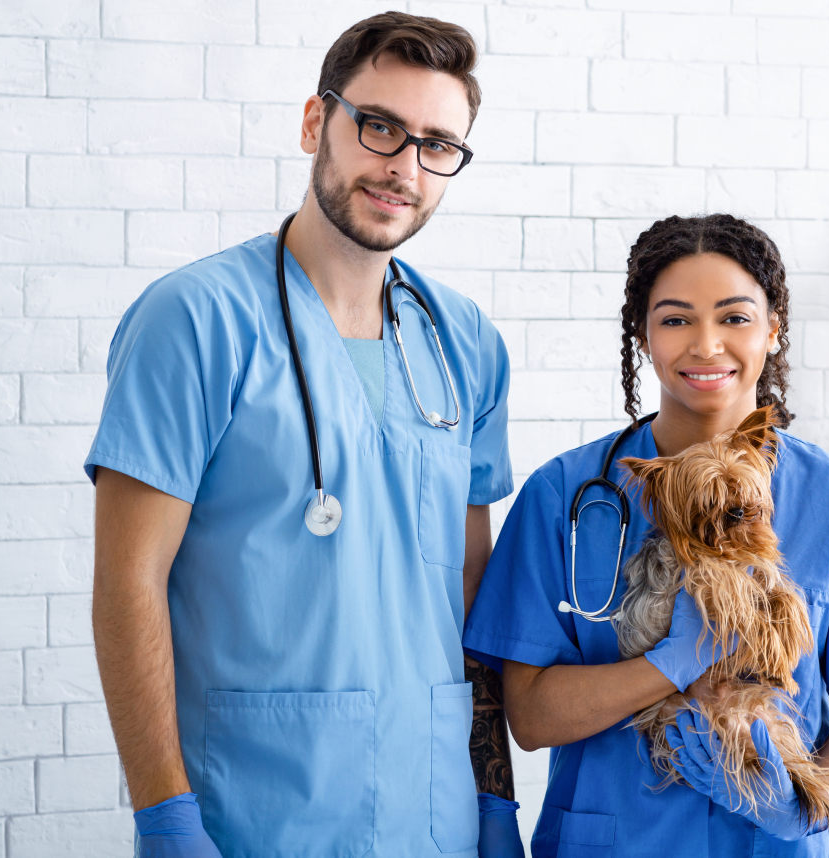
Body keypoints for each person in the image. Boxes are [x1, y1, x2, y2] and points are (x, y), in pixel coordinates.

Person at [88, 13, 522, 857]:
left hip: (433, 815)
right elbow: (127, 586)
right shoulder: (195, 321)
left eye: (438, 145)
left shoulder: (464, 341)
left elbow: (472, 602)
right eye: (380, 126)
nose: (403, 167)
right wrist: (165, 817)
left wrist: (492, 796)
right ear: (315, 123)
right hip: (251, 812)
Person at [462, 214, 829, 856]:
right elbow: (531, 718)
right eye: (675, 319)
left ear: (773, 330)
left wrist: (804, 807)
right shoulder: (564, 496)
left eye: (734, 317)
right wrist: (671, 661)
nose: (706, 345)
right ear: (643, 336)